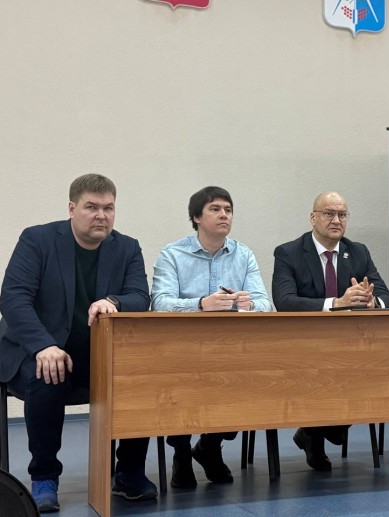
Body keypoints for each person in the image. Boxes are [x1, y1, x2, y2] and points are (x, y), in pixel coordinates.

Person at [0, 174, 156, 512]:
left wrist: (113, 300)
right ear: (72, 209)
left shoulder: (127, 247)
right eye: (91, 207)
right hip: (35, 349)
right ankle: (44, 476)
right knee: (48, 377)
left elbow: (140, 296)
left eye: (109, 208)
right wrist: (43, 346)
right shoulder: (37, 239)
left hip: (93, 353)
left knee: (138, 377)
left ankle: (128, 473)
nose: (101, 215)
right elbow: (13, 298)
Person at [151, 186, 272, 489]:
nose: (224, 215)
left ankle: (210, 445)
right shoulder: (173, 254)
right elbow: (159, 303)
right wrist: (201, 304)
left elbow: (265, 303)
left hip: (229, 349)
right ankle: (181, 452)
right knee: (180, 378)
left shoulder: (243, 254)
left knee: (248, 376)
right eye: (215, 209)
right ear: (196, 217)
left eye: (228, 210)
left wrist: (248, 305)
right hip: (182, 349)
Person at [272, 191, 389, 471]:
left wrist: (372, 301)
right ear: (313, 218)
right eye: (329, 213)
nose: (336, 220)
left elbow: (385, 295)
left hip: (350, 345)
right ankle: (320, 431)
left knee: (378, 369)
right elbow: (284, 301)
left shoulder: (358, 251)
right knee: (327, 372)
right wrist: (336, 303)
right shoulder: (289, 252)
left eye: (342, 214)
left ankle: (318, 430)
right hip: (304, 344)